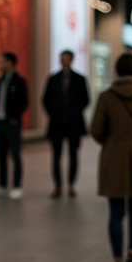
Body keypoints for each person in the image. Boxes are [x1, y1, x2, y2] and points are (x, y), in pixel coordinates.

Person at [90, 52, 132, 262]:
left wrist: (112, 141)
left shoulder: (106, 96)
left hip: (114, 157)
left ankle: (117, 260)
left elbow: (95, 129)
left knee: (115, 212)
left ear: (117, 71)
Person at [42, 49, 90, 198]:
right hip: (57, 123)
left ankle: (71, 183)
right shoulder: (53, 78)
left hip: (74, 123)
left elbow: (86, 99)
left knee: (73, 154)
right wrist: (53, 113)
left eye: (67, 58)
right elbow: (45, 99)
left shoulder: (80, 79)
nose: (65, 61)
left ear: (72, 60)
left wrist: (75, 111)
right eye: (63, 58)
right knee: (56, 155)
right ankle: (57, 185)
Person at [0, 51, 28, 199]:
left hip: (12, 124)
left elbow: (24, 102)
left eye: (3, 61)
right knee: (1, 155)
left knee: (15, 155)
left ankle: (17, 186)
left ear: (10, 62)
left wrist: (15, 117)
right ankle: (2, 185)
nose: (0, 64)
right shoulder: (0, 80)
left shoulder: (19, 81)